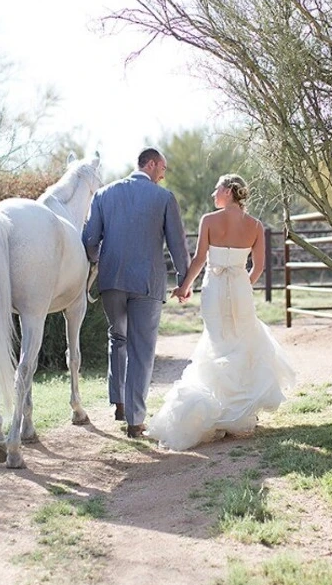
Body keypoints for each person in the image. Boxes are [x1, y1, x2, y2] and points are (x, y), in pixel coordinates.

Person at [146, 174, 295, 451]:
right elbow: (259, 266)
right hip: (239, 288)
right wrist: (242, 286)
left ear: (229, 190)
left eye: (217, 188)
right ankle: (238, 414)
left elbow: (201, 259)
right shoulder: (255, 225)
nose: (214, 193)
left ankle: (220, 410)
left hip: (213, 288)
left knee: (217, 343)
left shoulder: (209, 220)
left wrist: (184, 287)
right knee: (241, 342)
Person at [82, 147, 191, 438]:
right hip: (147, 283)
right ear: (152, 164)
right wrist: (184, 279)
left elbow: (90, 239)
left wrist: (96, 262)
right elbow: (177, 244)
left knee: (117, 337)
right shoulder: (164, 198)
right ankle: (134, 420)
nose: (163, 176)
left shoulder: (104, 194)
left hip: (112, 281)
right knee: (141, 350)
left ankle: (118, 402)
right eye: (162, 170)